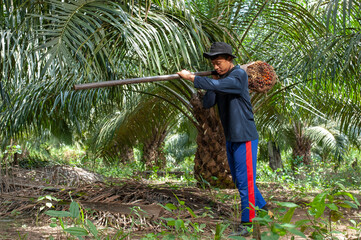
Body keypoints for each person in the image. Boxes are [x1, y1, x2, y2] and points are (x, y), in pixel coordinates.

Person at [177, 42, 267, 236]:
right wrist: (214, 84)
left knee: (245, 182)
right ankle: (263, 209)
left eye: (219, 63)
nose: (216, 66)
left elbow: (224, 85)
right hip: (231, 138)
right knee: (238, 179)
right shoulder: (222, 81)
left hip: (245, 137)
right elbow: (208, 102)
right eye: (213, 63)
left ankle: (247, 224)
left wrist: (192, 78)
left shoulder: (238, 75)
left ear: (229, 60)